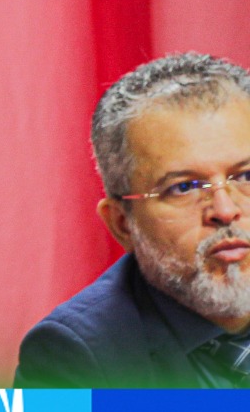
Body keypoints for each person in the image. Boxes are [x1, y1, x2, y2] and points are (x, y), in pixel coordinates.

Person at [17, 52, 250, 387]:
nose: (225, 210)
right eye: (183, 187)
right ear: (122, 224)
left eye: (245, 176)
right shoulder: (78, 355)